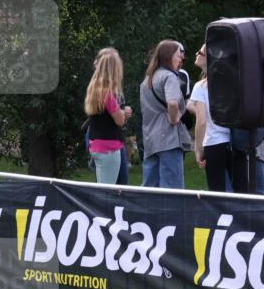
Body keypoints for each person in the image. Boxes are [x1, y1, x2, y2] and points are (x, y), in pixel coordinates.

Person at [140, 40, 192, 189]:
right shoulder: (170, 77)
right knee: (172, 190)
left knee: (150, 190)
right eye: (178, 55)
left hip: (150, 140)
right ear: (168, 56)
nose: (181, 59)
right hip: (169, 140)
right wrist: (174, 117)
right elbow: (173, 103)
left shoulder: (147, 80)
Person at [84, 48, 132, 184]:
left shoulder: (94, 89)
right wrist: (124, 112)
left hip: (97, 144)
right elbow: (120, 120)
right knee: (107, 192)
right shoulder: (108, 94)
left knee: (106, 187)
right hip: (109, 148)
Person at [188, 44, 232, 191]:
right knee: (239, 190)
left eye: (200, 52)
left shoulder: (201, 87)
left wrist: (198, 149)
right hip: (234, 142)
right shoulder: (230, 83)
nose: (196, 53)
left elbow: (201, 122)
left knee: (216, 191)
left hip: (213, 142)